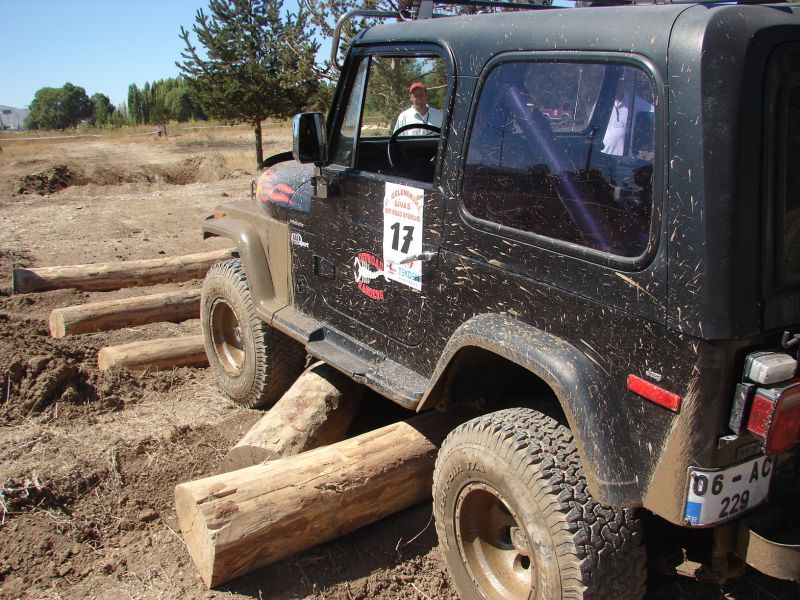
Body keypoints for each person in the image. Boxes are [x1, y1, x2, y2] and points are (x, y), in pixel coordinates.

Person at [602, 91, 628, 156]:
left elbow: (652, 110)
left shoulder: (634, 101)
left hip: (624, 158)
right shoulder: (602, 103)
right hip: (603, 155)